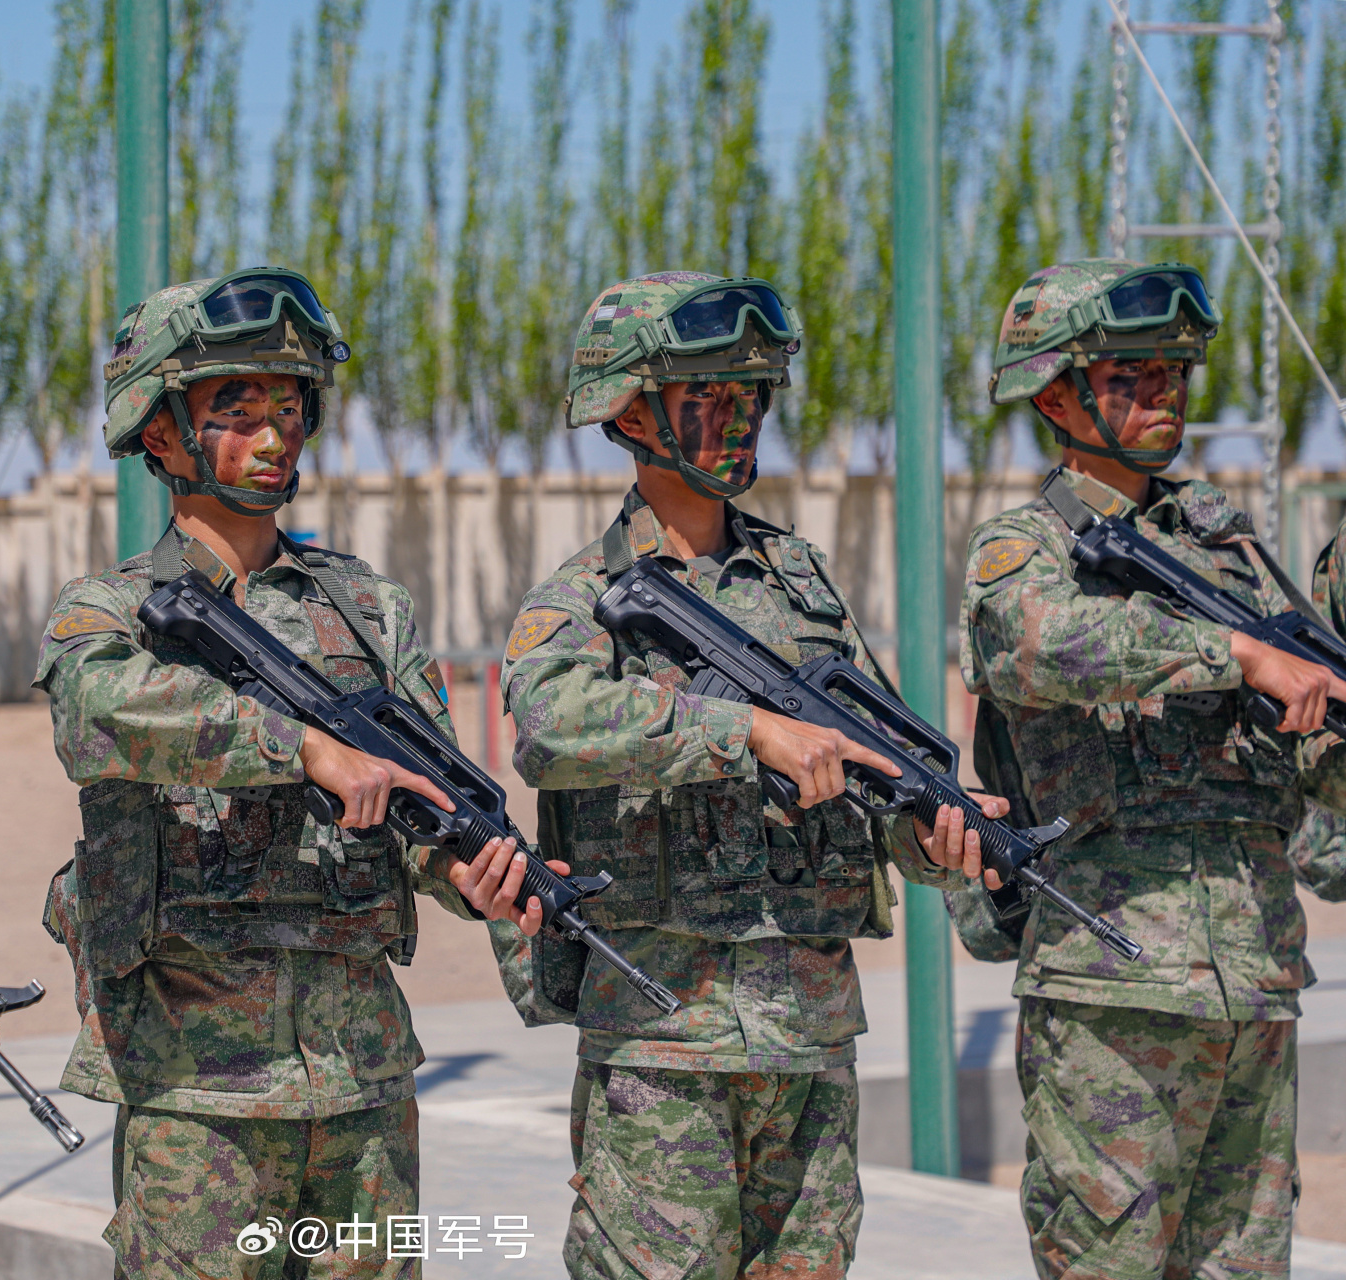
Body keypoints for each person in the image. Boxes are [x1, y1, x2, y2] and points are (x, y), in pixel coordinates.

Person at [36, 269, 562, 1278]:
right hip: (200, 1090)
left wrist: (472, 878)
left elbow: (424, 814)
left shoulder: (369, 609)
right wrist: (299, 747)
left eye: (289, 409)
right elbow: (96, 713)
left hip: (362, 1079)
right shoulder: (107, 609)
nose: (274, 436)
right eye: (237, 412)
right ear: (158, 430)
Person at [494, 271, 1003, 1279]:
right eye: (710, 397)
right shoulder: (583, 597)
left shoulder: (802, 586)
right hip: (663, 1043)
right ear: (631, 410)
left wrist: (942, 832)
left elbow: (871, 763)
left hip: (811, 1041)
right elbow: (547, 726)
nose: (740, 419)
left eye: (751, 396)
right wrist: (744, 731)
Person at [961, 258, 1346, 1278]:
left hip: (1255, 980)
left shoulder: (1233, 555)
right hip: (1112, 988)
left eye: (1174, 372)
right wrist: (1238, 656)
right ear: (1056, 393)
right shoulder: (1025, 546)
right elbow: (1035, 641)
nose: (1164, 393)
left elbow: (1309, 769)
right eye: (1132, 375)